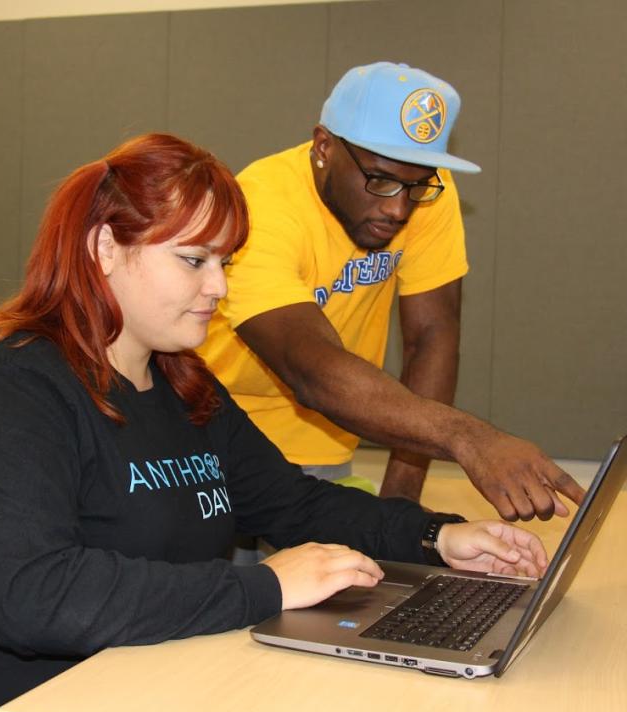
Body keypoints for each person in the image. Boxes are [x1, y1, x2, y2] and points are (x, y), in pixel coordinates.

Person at [0, 133, 548, 712]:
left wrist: (436, 537)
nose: (219, 288)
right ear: (104, 249)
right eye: (194, 260)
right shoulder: (6, 389)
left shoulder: (185, 384)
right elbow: (36, 597)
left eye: (226, 262)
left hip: (132, 696)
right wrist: (264, 588)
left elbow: (295, 505)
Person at [198, 61, 586, 521]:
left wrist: (400, 506)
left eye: (415, 185)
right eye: (379, 180)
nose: (399, 208)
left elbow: (433, 337)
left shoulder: (427, 191)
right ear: (324, 146)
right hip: (213, 431)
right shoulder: (260, 207)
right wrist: (467, 436)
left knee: (337, 587)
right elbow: (310, 370)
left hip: (326, 435)